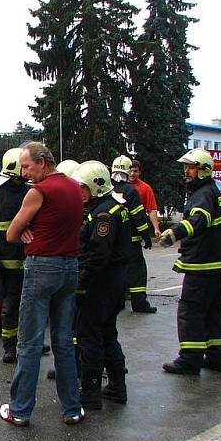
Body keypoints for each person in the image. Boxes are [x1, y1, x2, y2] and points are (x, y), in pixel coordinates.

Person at [0, 142, 85, 427]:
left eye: (26, 166)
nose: (23, 173)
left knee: (30, 342)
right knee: (63, 341)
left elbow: (11, 233)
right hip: (69, 267)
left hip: (42, 267)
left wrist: (24, 229)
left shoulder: (39, 192)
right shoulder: (74, 187)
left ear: (42, 162)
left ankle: (20, 410)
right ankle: (72, 408)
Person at [159, 148, 221, 375]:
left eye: (190, 167)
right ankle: (217, 358)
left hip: (201, 265)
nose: (186, 171)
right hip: (214, 264)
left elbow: (198, 219)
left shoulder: (203, 194)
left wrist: (175, 233)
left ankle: (189, 359)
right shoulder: (210, 191)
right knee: (214, 312)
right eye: (186, 167)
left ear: (204, 170)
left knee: (191, 311)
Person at [72, 161, 130, 408]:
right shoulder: (114, 207)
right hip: (114, 283)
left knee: (90, 337)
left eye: (82, 187)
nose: (80, 192)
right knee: (107, 335)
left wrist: (81, 283)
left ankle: (91, 394)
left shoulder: (104, 214)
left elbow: (98, 254)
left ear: (96, 186)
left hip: (100, 285)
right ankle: (117, 387)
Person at [0, 148, 29, 364]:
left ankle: (27, 341)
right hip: (6, 267)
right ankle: (10, 346)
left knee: (30, 307)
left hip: (30, 264)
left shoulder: (32, 192)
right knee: (10, 308)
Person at [111, 155, 156, 313]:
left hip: (112, 242)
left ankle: (118, 301)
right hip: (130, 241)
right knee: (137, 272)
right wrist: (146, 237)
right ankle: (139, 303)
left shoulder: (107, 190)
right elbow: (139, 217)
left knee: (117, 271)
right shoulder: (131, 191)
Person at [129, 160, 162, 238]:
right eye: (130, 171)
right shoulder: (118, 186)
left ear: (139, 172)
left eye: (135, 171)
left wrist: (156, 229)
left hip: (136, 227)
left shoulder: (146, 188)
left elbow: (152, 209)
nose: (132, 174)